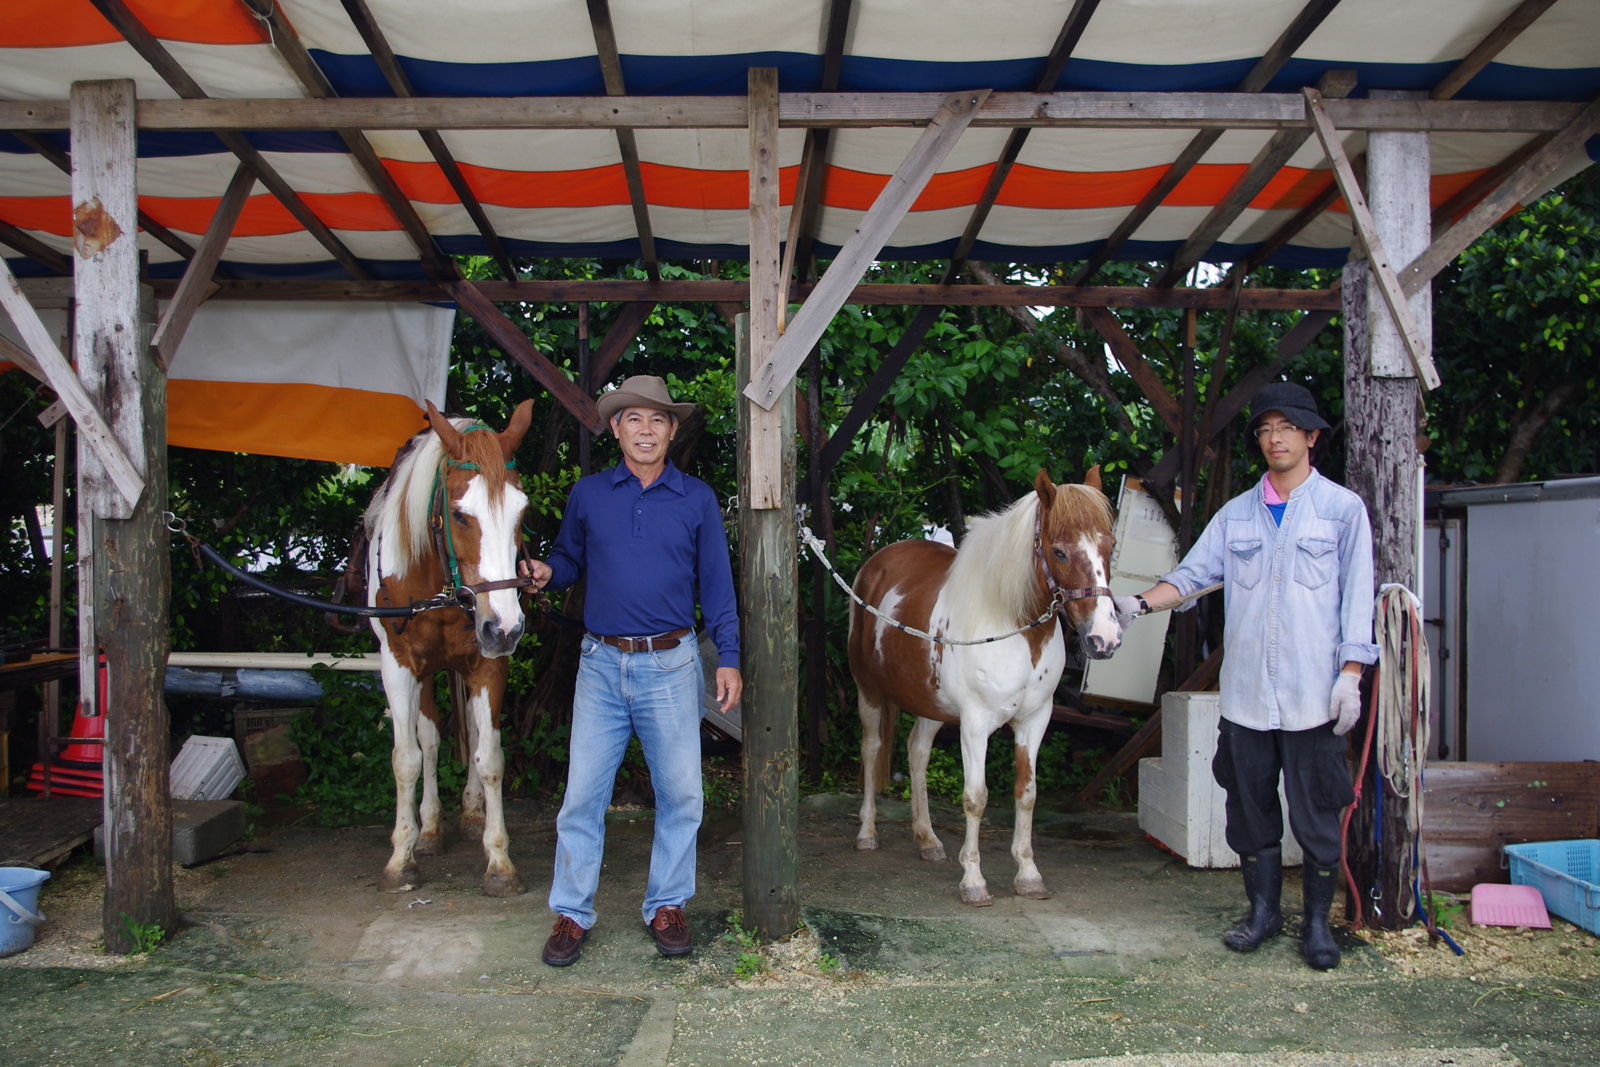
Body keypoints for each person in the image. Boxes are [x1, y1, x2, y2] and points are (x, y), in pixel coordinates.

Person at [1114, 382, 1377, 971]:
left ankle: (1316, 926)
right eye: (1264, 429)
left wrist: (1351, 675)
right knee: (1249, 809)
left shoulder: (1342, 512)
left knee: (1315, 814)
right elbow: (1190, 577)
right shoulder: (1236, 516)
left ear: (1311, 437)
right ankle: (1261, 916)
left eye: (1287, 428)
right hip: (1247, 700)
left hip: (1315, 699)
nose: (1274, 438)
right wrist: (1134, 605)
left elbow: (1358, 600)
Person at [520, 375, 741, 967]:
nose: (646, 430)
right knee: (582, 796)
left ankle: (666, 904)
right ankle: (572, 912)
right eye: (634, 419)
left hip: (672, 665)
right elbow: (569, 561)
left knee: (682, 796)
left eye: (658, 420)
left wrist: (732, 659)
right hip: (600, 664)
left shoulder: (696, 498)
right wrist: (546, 571)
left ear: (673, 430)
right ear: (616, 428)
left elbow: (718, 587)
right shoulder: (590, 494)